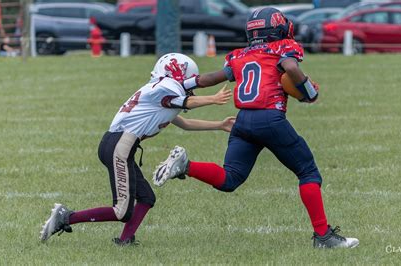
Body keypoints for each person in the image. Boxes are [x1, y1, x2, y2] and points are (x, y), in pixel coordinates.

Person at [153, 7, 359, 249]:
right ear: (277, 28)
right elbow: (291, 68)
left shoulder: (240, 55)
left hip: (243, 122)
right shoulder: (283, 48)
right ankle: (323, 237)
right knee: (308, 174)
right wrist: (310, 93)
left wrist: (177, 84)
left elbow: (209, 79)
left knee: (230, 178)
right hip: (270, 118)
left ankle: (185, 166)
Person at [40, 53, 235, 245]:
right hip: (120, 145)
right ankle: (65, 217)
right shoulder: (165, 89)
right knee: (122, 211)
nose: (191, 82)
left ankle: (125, 240)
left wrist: (219, 124)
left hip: (120, 144)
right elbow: (186, 102)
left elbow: (185, 123)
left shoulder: (159, 90)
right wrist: (213, 99)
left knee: (146, 198)